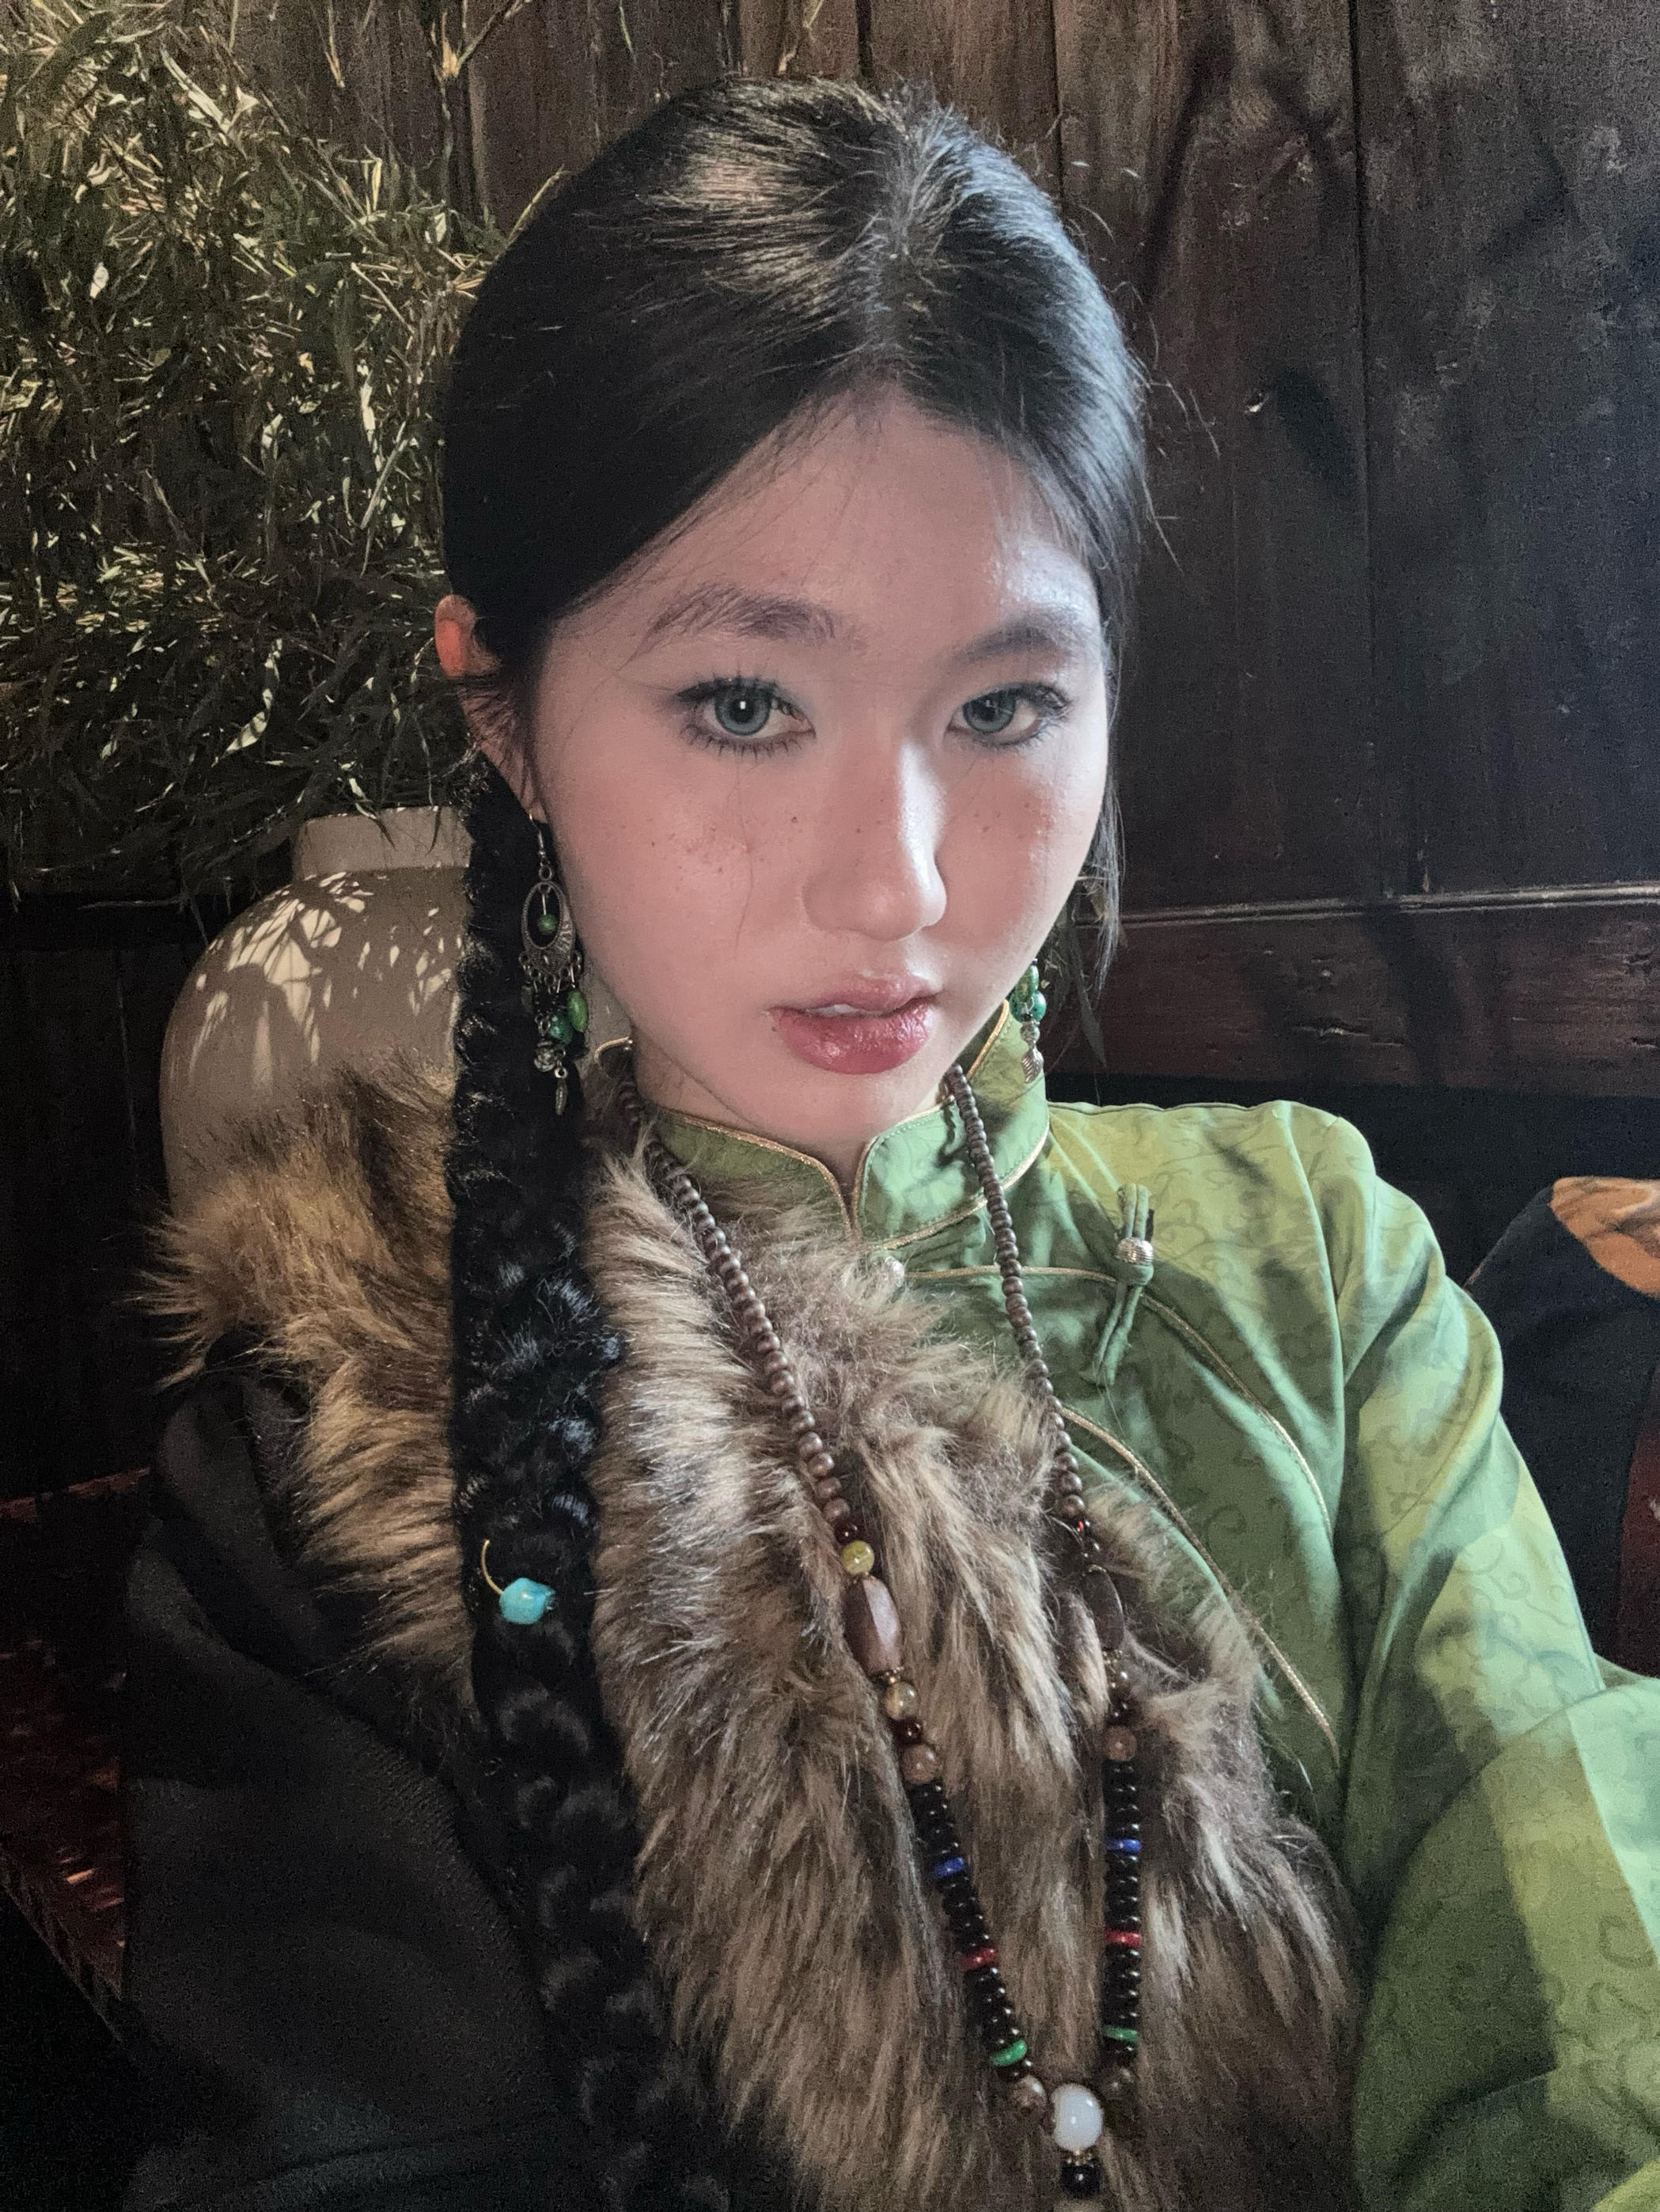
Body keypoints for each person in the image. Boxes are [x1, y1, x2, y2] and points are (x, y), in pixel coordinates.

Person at [119, 72, 1660, 2212]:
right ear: (504, 718)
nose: (899, 882)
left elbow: (1571, 1955)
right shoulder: (339, 1431)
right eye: (743, 703)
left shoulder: (1314, 1266)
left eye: (1003, 706)